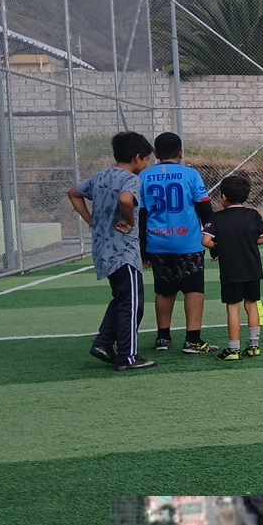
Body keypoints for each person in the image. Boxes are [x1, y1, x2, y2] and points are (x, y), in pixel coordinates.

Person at [67, 131, 157, 371]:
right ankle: (128, 356)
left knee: (121, 299)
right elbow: (126, 200)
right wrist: (130, 222)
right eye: (146, 159)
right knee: (132, 305)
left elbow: (74, 192)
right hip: (123, 252)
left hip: (103, 250)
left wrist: (91, 220)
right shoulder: (131, 180)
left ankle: (104, 343)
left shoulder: (101, 177)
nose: (146, 164)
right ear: (137, 157)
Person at [140, 132, 217, 354]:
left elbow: (141, 216)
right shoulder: (191, 175)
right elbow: (205, 210)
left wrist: (143, 249)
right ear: (181, 153)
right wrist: (215, 243)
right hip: (188, 243)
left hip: (157, 243)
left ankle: (163, 338)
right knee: (194, 289)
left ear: (156, 154)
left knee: (164, 290)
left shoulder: (144, 177)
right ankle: (192, 341)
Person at [201, 173, 263, 360]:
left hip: (231, 270)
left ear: (224, 196)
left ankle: (233, 349)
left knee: (233, 307)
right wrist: (248, 242)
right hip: (252, 268)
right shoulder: (253, 215)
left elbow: (206, 241)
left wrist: (221, 247)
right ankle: (253, 346)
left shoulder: (217, 217)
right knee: (252, 304)